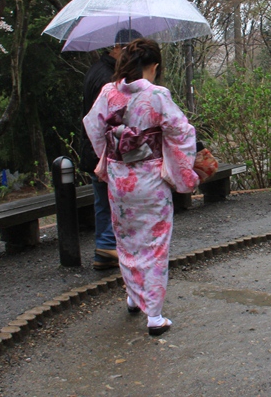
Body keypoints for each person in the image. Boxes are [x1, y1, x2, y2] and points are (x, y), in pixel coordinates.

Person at [84, 39, 200, 336]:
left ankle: (135, 297)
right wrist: (179, 167)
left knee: (127, 240)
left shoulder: (108, 93)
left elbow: (94, 126)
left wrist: (110, 157)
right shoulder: (157, 95)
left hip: (120, 179)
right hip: (150, 180)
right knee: (155, 244)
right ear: (154, 66)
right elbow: (182, 132)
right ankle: (155, 316)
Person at [80, 28, 143, 270]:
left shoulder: (99, 70)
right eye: (129, 50)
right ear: (117, 48)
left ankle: (104, 252)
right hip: (104, 150)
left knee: (103, 201)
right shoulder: (107, 79)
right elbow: (105, 119)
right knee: (110, 200)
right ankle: (107, 245)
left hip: (96, 149)